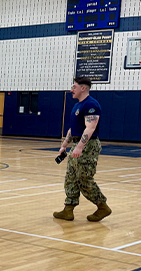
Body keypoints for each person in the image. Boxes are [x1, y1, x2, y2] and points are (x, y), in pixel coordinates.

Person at [54, 76, 111, 222]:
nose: (72, 90)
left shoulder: (91, 104)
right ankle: (68, 210)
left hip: (88, 146)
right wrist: (64, 146)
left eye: (74, 87)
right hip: (77, 144)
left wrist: (80, 147)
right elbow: (73, 129)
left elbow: (90, 127)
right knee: (71, 178)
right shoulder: (77, 106)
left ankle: (102, 206)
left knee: (84, 179)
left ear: (83, 88)